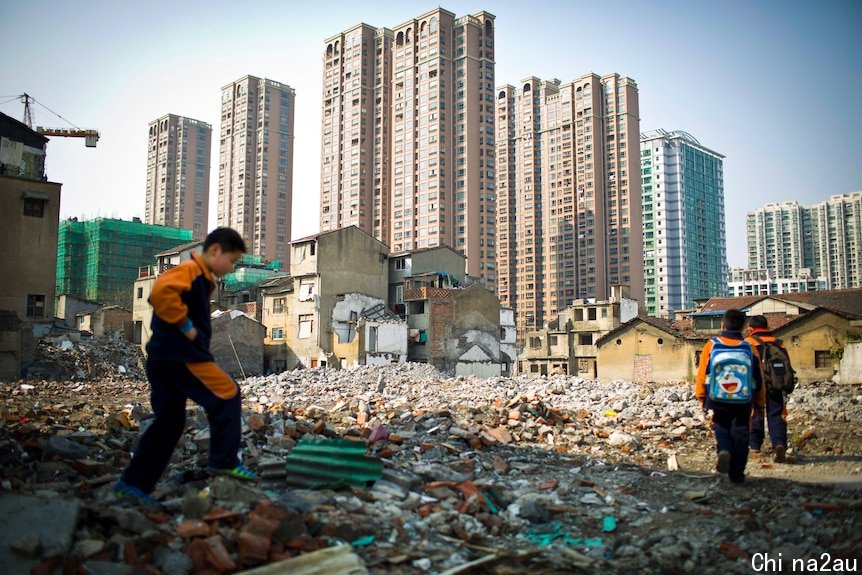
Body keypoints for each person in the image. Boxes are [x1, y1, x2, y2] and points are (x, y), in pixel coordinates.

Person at [114, 228, 257, 504]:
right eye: (232, 260)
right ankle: (223, 460)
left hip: (162, 358)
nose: (232, 268)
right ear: (215, 251)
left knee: (170, 422)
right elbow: (160, 294)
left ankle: (132, 484)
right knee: (227, 394)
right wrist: (187, 326)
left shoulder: (201, 278)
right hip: (183, 356)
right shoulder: (190, 271)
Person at [695, 309, 765, 484]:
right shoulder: (749, 348)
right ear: (743, 327)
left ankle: (724, 449)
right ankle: (737, 475)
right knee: (741, 432)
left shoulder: (712, 345)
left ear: (723, 325)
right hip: (743, 398)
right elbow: (758, 377)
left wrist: (701, 396)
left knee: (721, 425)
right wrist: (759, 403)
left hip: (717, 396)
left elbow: (702, 373)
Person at [745, 315, 792, 463]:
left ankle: (755, 448)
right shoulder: (779, 343)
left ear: (751, 328)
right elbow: (787, 368)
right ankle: (779, 445)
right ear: (766, 327)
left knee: (755, 414)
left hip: (756, 386)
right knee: (776, 414)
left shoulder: (749, 343)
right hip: (775, 385)